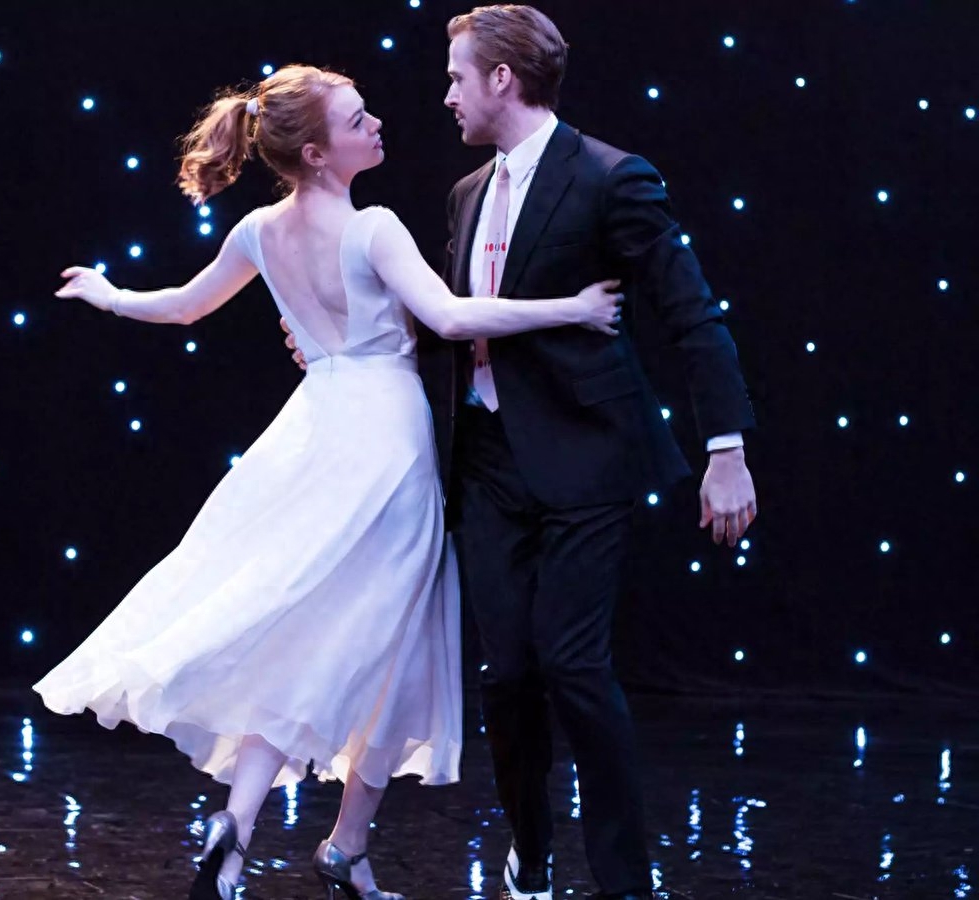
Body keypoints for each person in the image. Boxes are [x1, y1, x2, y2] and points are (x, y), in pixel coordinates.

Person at [34, 63, 625, 900]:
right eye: (356, 120)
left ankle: (244, 826)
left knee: (311, 633)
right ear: (315, 153)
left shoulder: (258, 232)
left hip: (315, 433)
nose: (376, 124)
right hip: (385, 442)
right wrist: (572, 308)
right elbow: (451, 317)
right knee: (392, 642)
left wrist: (110, 295)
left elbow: (184, 306)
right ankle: (343, 844)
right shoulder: (372, 228)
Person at [284, 7, 759, 899]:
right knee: (508, 676)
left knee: (574, 665)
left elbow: (691, 312)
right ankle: (530, 852)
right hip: (488, 461)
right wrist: (337, 344)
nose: (446, 95)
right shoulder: (468, 193)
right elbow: (454, 320)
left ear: (501, 79)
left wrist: (725, 447)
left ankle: (624, 880)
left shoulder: (610, 177)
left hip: (585, 456)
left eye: (457, 77)